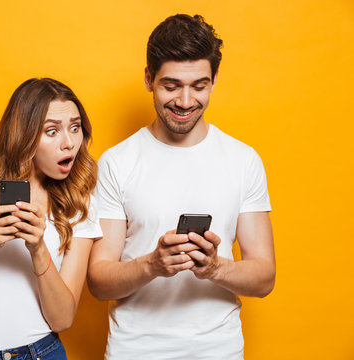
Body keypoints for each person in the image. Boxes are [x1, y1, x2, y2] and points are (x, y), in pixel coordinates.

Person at [88, 14, 276, 359]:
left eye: (199, 86)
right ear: (149, 79)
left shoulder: (243, 160)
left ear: (214, 80)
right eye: (171, 86)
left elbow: (264, 277)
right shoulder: (117, 162)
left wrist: (217, 267)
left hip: (218, 350)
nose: (186, 101)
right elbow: (99, 282)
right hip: (135, 350)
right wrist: (153, 265)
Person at [0, 78, 102, 360]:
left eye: (75, 128)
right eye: (52, 131)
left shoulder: (79, 205)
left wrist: (38, 248)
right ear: (23, 136)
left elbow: (62, 319)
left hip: (41, 353)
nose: (69, 143)